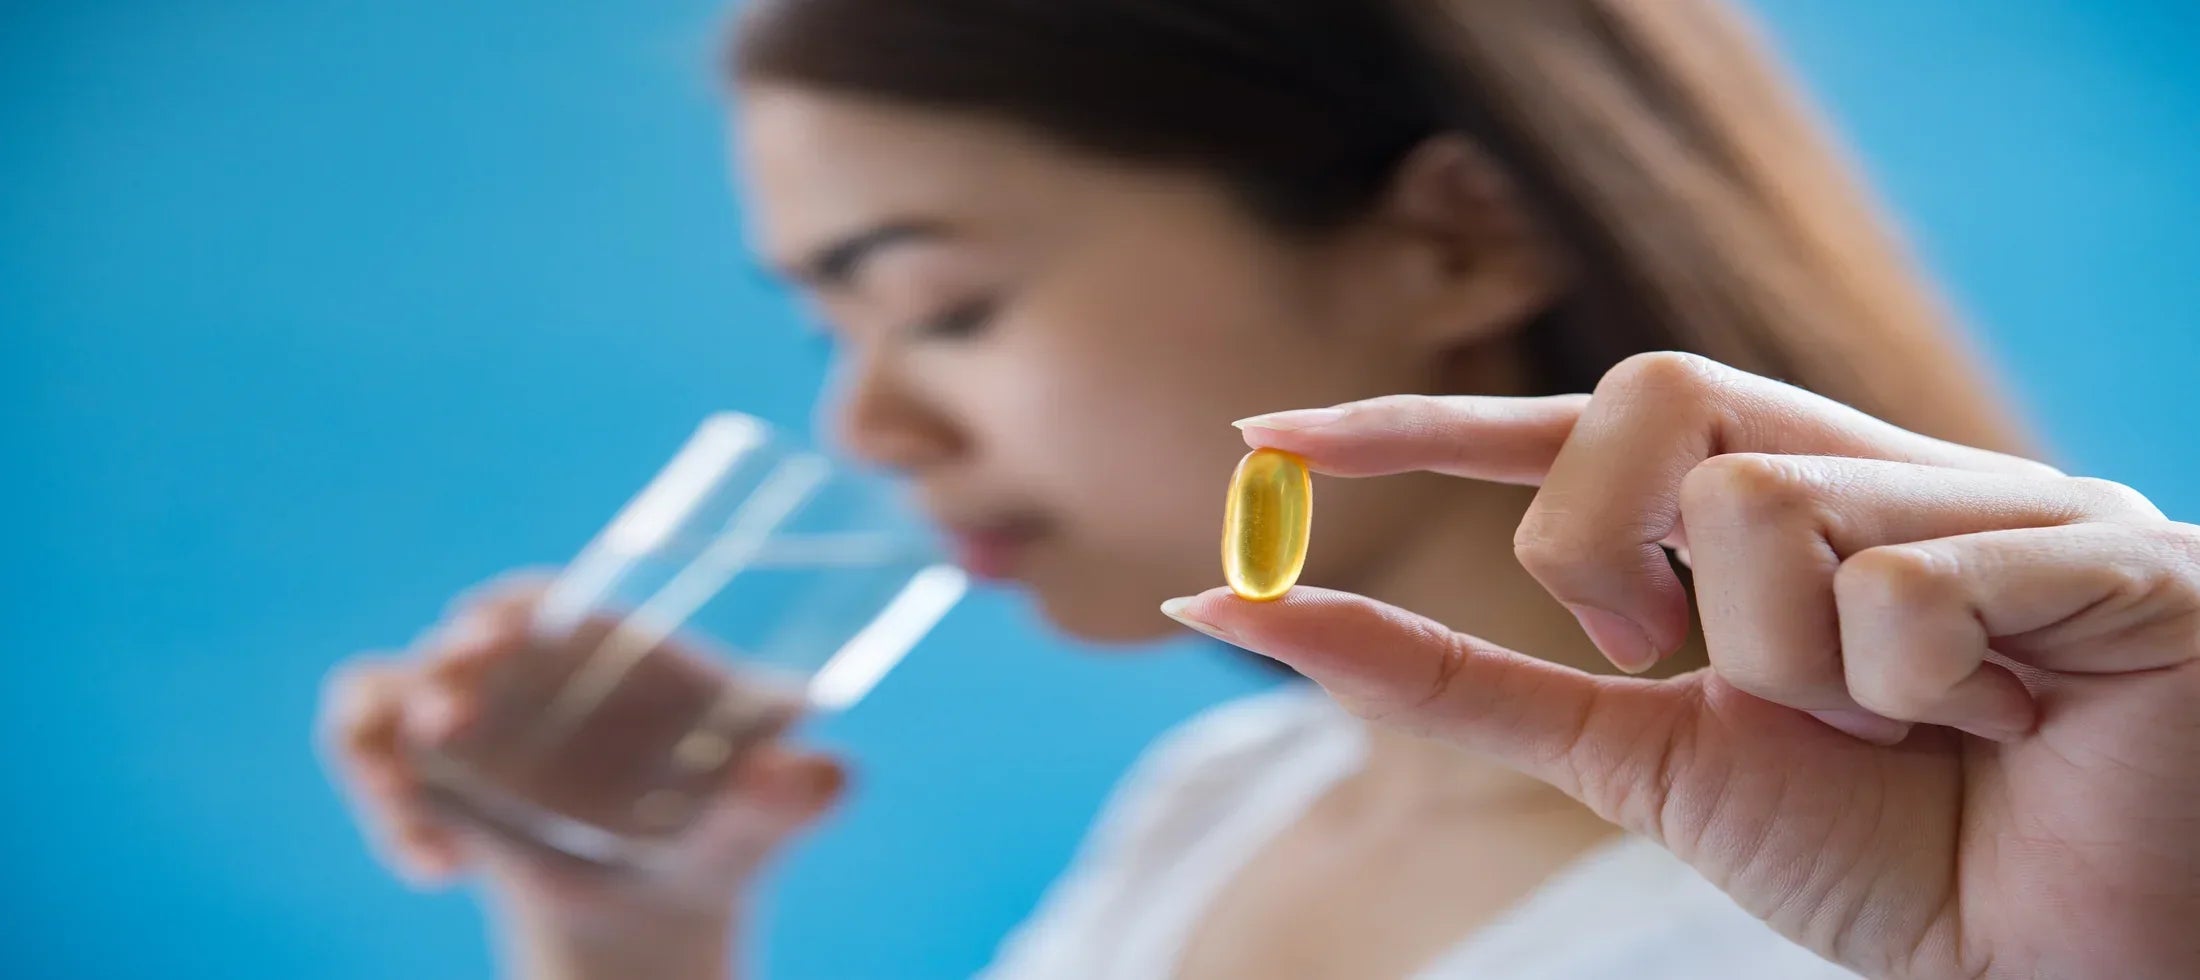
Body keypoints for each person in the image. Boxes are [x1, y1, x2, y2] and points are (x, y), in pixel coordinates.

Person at [320, 1, 2200, 977]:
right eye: (832, 326)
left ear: (1457, 236)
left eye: (943, 307)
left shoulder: (1977, 894)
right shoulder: (1226, 805)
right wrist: (623, 933)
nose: (867, 427)